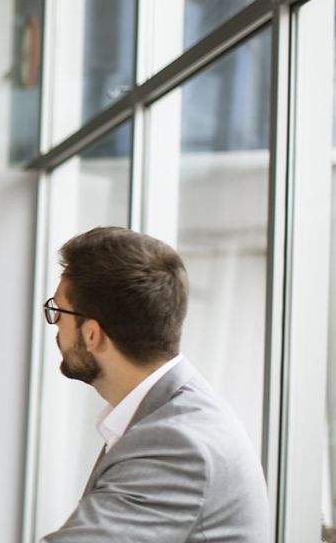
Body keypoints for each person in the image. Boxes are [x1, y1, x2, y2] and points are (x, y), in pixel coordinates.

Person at [40, 227, 268, 541]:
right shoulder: (173, 413)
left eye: (57, 312)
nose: (55, 328)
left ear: (92, 334)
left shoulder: (177, 443)